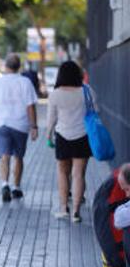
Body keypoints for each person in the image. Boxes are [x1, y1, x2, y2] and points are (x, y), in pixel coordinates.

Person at [0, 53, 39, 202]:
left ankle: (4, 184)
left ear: (5, 66)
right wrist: (34, 126)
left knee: (4, 155)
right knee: (19, 157)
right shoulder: (25, 82)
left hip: (1, 124)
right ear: (19, 66)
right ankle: (16, 187)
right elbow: (30, 107)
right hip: (20, 125)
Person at [46, 60, 92, 222]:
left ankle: (64, 208)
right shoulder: (86, 92)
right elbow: (96, 111)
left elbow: (51, 119)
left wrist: (48, 136)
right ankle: (76, 212)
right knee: (78, 174)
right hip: (83, 136)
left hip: (62, 136)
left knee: (62, 173)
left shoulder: (55, 94)